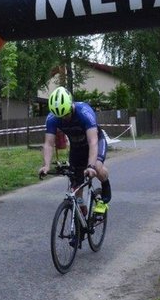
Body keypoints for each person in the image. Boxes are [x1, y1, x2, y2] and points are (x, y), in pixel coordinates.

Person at [38, 87, 112, 218]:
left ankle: (105, 191)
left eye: (66, 114)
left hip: (95, 141)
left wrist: (90, 166)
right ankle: (80, 208)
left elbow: (93, 142)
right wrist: (46, 165)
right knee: (75, 180)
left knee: (97, 166)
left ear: (71, 106)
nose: (64, 118)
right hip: (77, 146)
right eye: (60, 117)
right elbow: (49, 144)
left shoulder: (84, 112)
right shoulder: (52, 118)